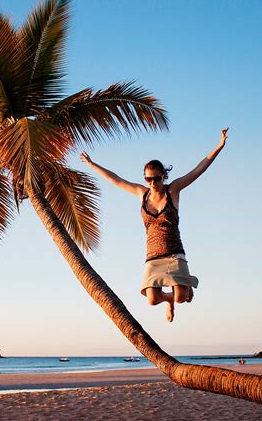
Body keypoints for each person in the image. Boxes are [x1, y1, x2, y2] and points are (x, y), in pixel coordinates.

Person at [80, 129, 229, 322]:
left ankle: (179, 294)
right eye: (148, 179)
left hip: (174, 252)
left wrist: (219, 145)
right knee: (151, 299)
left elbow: (199, 169)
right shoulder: (142, 194)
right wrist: (92, 164)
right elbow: (116, 179)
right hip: (152, 256)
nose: (152, 183)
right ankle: (168, 300)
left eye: (156, 178)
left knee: (182, 298)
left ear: (163, 177)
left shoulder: (173, 190)